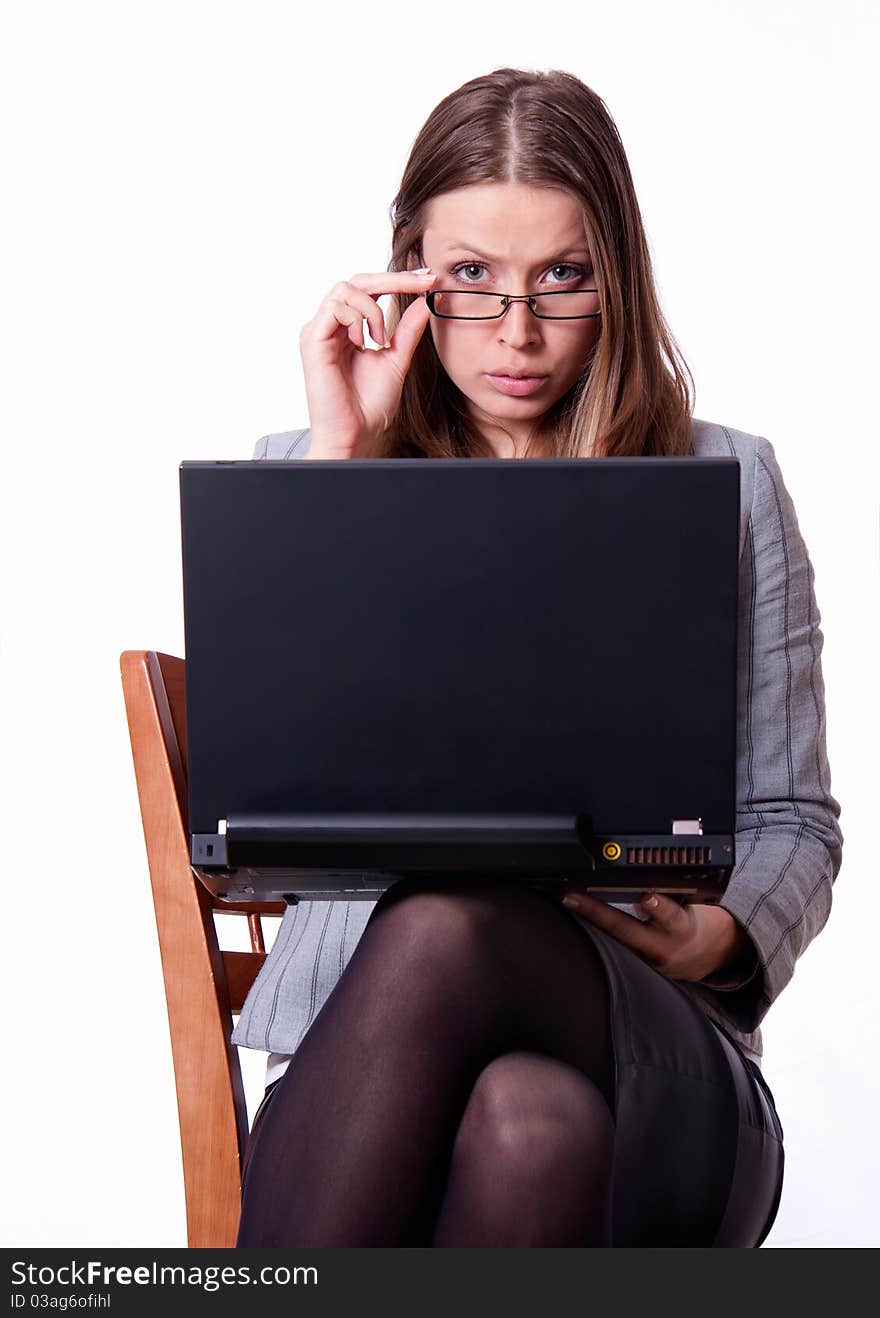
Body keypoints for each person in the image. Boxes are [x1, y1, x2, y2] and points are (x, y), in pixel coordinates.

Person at [231, 67, 843, 1247]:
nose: (516, 332)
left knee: (449, 922)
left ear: (615, 274)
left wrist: (720, 937)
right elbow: (268, 824)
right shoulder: (308, 472)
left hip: (659, 1054)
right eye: (471, 279)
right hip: (377, 1082)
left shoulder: (729, 482)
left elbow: (794, 821)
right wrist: (339, 470)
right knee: (527, 1124)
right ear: (405, 269)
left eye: (560, 277)